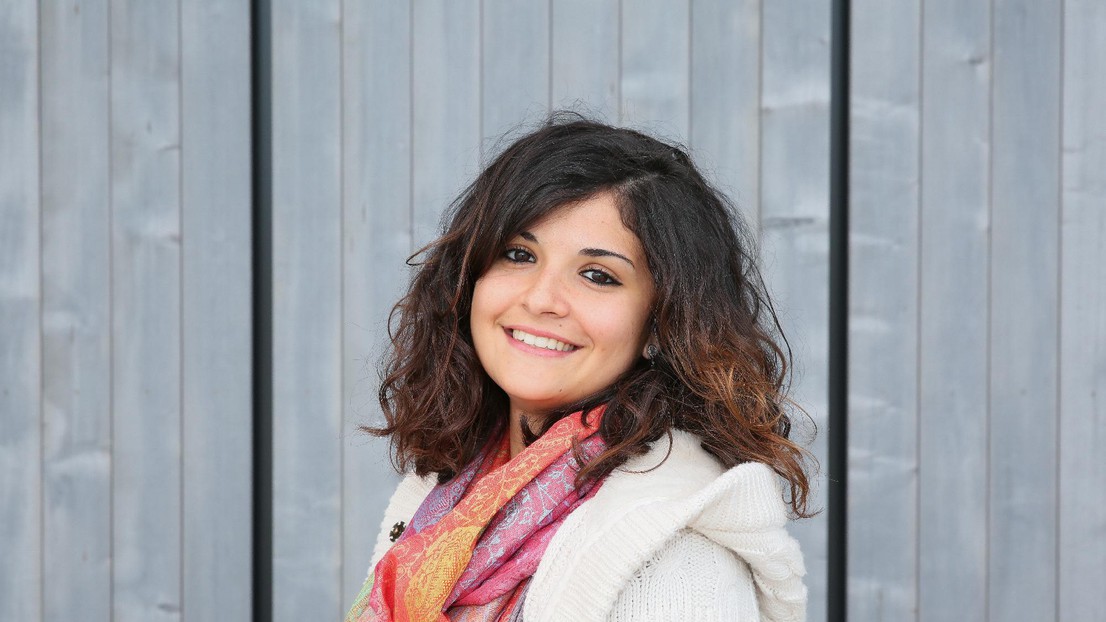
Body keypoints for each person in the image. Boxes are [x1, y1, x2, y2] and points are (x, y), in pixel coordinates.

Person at [346, 115, 812, 622]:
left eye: (597, 275)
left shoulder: (674, 564)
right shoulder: (450, 499)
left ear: (664, 322)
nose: (542, 299)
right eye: (519, 254)